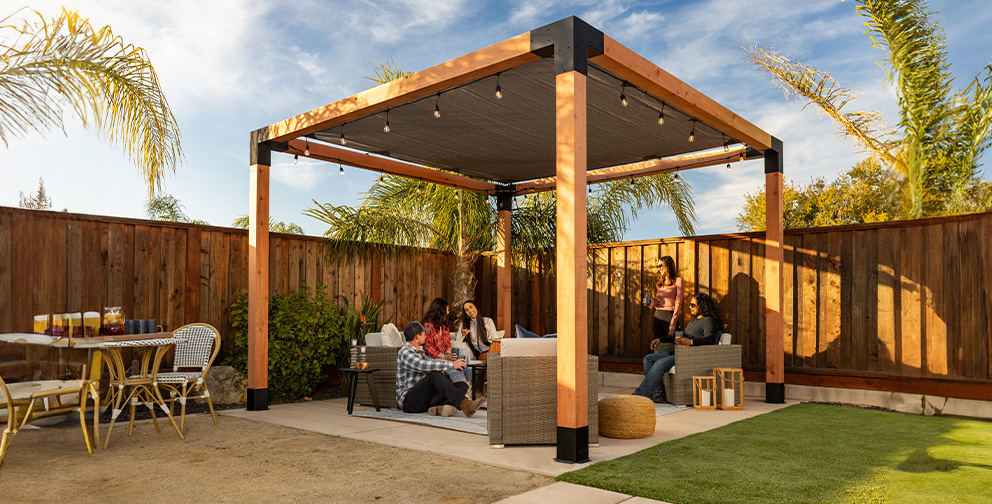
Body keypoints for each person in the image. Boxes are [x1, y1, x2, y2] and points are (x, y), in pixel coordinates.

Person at [633, 292, 722, 402]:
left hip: (690, 355)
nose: (690, 307)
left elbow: (710, 339)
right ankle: (657, 394)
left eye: (693, 305)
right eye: (690, 305)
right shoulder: (693, 321)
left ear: (702, 306)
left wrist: (690, 342)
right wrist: (661, 339)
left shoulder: (709, 321)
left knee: (660, 363)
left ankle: (640, 395)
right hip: (679, 352)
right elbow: (681, 336)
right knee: (648, 359)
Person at [396, 321, 486, 417]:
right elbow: (423, 365)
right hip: (409, 402)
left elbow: (433, 363)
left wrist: (445, 369)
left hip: (423, 399)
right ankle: (465, 404)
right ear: (417, 337)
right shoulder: (405, 352)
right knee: (435, 376)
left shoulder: (419, 352)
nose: (426, 336)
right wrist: (452, 365)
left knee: (461, 386)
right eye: (423, 334)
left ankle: (438, 409)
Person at [422, 297, 468, 384]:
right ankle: (461, 387)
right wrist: (444, 357)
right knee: (453, 369)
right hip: (433, 357)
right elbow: (427, 348)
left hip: (444, 355)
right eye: (447, 310)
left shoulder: (444, 326)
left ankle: (466, 384)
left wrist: (448, 353)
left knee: (463, 354)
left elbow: (448, 344)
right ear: (440, 311)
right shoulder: (428, 325)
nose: (448, 312)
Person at [644, 255, 684, 351]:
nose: (658, 269)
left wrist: (673, 322)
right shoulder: (659, 284)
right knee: (658, 345)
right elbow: (660, 304)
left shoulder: (679, 281)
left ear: (667, 265)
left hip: (670, 316)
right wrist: (653, 304)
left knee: (674, 343)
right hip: (658, 316)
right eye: (657, 266)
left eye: (660, 266)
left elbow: (678, 303)